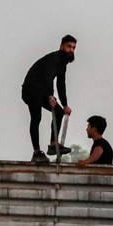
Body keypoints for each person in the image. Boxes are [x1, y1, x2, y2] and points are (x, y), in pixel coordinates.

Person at [21, 35, 76, 164]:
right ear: (61, 46)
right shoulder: (54, 58)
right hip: (31, 89)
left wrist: (65, 104)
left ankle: (53, 144)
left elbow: (61, 84)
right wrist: (50, 96)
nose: (71, 50)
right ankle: (36, 151)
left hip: (43, 91)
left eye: (74, 47)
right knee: (36, 117)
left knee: (59, 112)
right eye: (69, 46)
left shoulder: (63, 64)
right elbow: (48, 76)